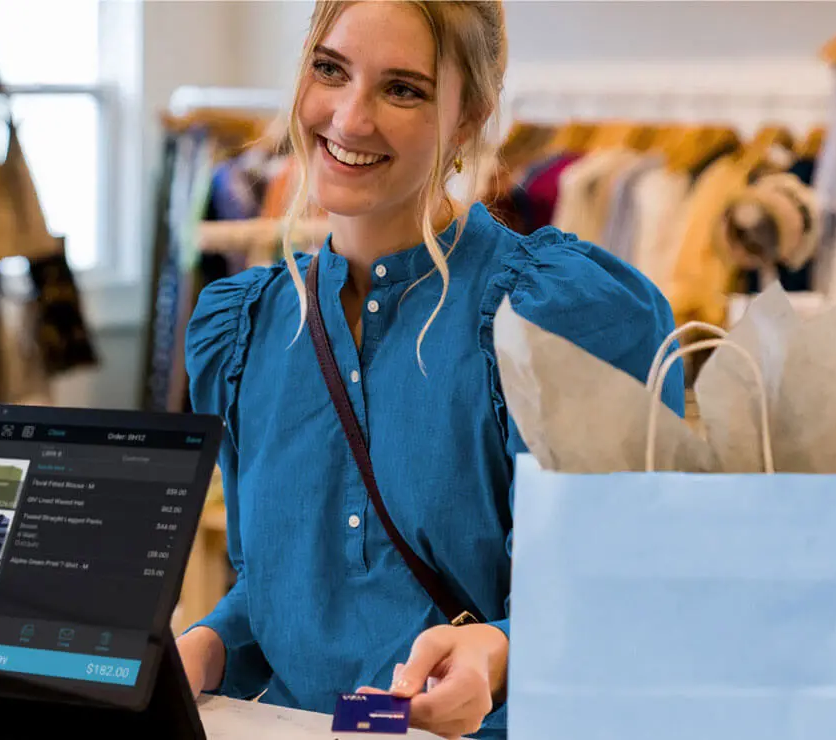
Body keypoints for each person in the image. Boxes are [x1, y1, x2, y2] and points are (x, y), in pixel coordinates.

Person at [174, 2, 683, 738]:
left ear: (469, 117)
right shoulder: (244, 329)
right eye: (330, 70)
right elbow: (278, 590)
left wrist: (500, 653)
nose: (350, 120)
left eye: (402, 89)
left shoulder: (556, 316)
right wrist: (207, 648)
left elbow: (622, 596)